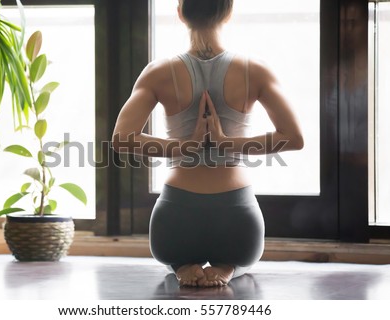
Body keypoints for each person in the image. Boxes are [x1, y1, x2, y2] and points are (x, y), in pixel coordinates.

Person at [112, 0, 303, 287]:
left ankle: (182, 266)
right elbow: (294, 137)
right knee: (241, 258)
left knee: (172, 256)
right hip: (237, 219)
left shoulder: (158, 72)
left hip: (175, 220)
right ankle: (228, 267)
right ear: (229, 12)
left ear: (180, 12)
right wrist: (226, 144)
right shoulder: (255, 70)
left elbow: (121, 139)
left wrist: (184, 147)